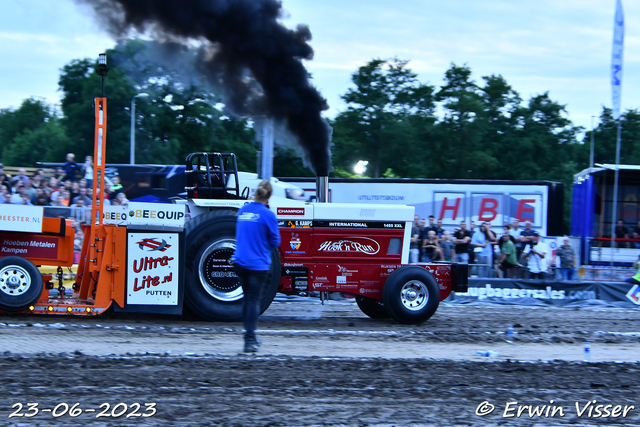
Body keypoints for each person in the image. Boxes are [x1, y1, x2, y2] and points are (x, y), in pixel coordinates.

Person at [232, 180, 280, 353]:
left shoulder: (243, 211)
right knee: (253, 300)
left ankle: (249, 337)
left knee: (247, 299)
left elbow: (239, 236)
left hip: (240, 261)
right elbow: (275, 242)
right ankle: (250, 340)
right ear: (269, 197)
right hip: (257, 264)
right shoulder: (268, 215)